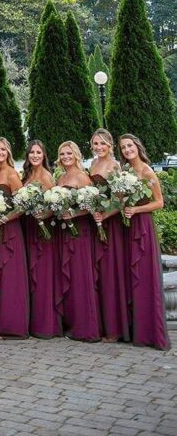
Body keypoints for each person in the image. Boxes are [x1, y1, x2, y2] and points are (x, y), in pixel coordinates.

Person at [118, 133, 170, 351]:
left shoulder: (147, 171)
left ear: (137, 146)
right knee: (133, 276)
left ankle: (151, 333)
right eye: (123, 148)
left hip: (143, 227)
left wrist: (136, 209)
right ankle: (135, 329)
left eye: (129, 145)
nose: (127, 150)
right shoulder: (126, 172)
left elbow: (159, 202)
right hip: (127, 227)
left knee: (145, 275)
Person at [54, 140, 101, 342]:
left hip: (80, 232)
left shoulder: (83, 177)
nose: (65, 157)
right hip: (64, 232)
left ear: (76, 155)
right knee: (70, 277)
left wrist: (74, 212)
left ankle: (86, 327)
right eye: (62, 154)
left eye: (69, 154)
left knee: (82, 277)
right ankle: (71, 324)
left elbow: (93, 206)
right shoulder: (60, 178)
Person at [89, 128, 130, 343]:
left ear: (110, 145)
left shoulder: (115, 166)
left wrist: (104, 215)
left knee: (111, 272)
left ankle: (115, 328)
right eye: (96, 144)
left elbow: (121, 199)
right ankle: (101, 324)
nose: (99, 147)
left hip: (111, 224)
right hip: (96, 223)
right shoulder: (93, 165)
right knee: (100, 274)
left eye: (102, 143)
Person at [0, 136, 29, 338]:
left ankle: (13, 326)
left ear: (8, 152)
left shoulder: (12, 174)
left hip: (11, 231)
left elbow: (22, 206)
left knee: (11, 277)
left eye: (3, 150)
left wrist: (6, 219)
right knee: (0, 276)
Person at [21, 139, 60, 339]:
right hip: (28, 227)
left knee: (42, 275)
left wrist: (43, 216)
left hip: (42, 230)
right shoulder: (27, 175)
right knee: (30, 273)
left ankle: (45, 324)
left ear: (44, 155)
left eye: (38, 152)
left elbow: (54, 205)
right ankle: (32, 320)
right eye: (31, 153)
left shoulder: (46, 176)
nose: (34, 156)